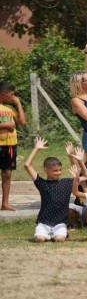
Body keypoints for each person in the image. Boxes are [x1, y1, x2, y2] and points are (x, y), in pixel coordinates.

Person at [23, 137, 73, 242]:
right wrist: (36, 148)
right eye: (55, 171)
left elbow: (77, 173)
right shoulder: (42, 183)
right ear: (46, 170)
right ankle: (45, 234)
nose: (58, 172)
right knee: (40, 239)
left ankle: (60, 234)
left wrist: (70, 156)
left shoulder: (67, 183)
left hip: (60, 223)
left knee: (59, 239)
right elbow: (27, 165)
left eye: (60, 170)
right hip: (44, 222)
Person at [0, 81, 26, 211]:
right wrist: (3, 125)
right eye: (11, 95)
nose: (13, 97)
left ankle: (4, 204)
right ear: (3, 94)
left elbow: (22, 122)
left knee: (7, 173)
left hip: (9, 145)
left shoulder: (9, 109)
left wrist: (18, 104)